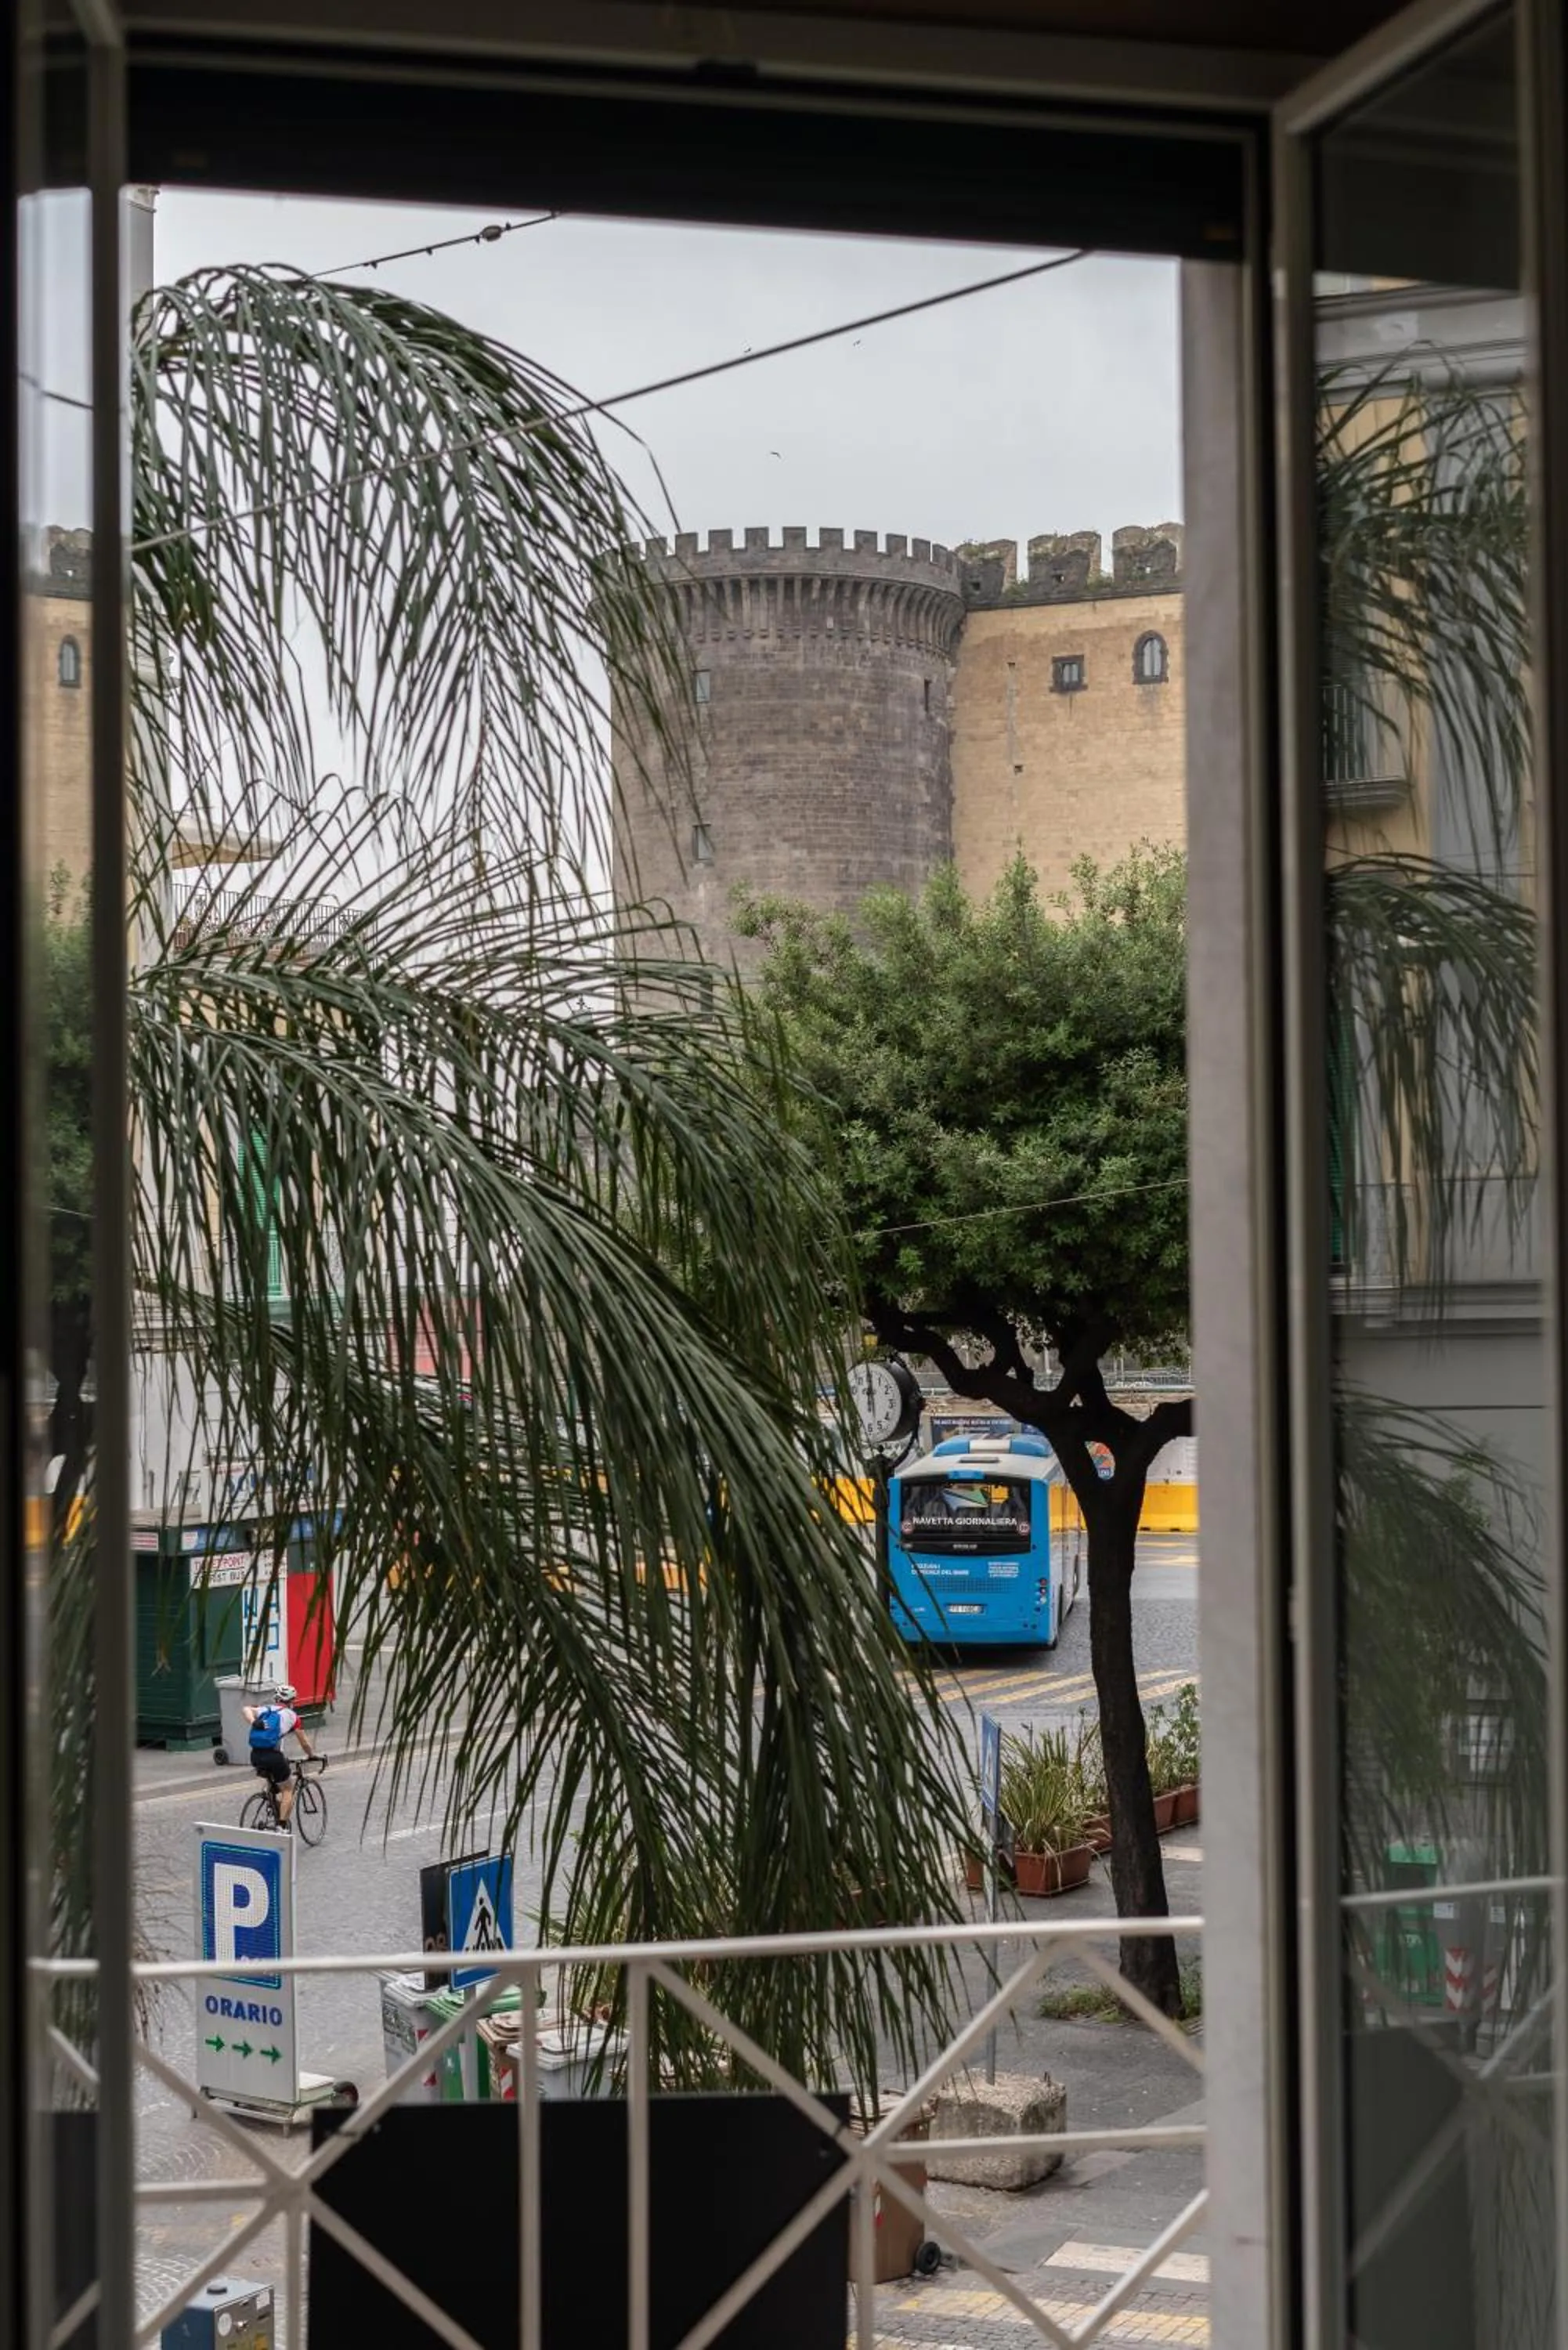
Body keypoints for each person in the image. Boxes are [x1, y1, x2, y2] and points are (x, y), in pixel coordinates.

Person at [244, 1683, 320, 1828]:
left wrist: (254, 1722)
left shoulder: (266, 1710)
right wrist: (311, 1755)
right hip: (273, 1757)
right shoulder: (293, 1717)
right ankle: (282, 1826)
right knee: (287, 1789)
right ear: (292, 1701)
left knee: (275, 1780)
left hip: (255, 1755)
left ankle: (270, 1799)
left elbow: (246, 1709)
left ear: (277, 1699)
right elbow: (304, 1743)